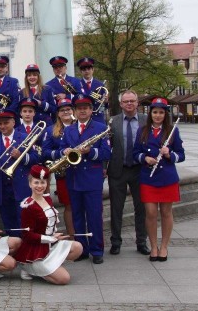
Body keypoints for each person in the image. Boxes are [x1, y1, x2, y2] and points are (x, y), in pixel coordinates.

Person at [59, 95, 111, 264]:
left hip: (92, 178)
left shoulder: (101, 128)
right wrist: (65, 150)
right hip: (73, 177)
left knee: (94, 216)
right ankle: (82, 249)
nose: (82, 110)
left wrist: (90, 151)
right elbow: (61, 148)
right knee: (77, 216)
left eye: (86, 107)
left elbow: (107, 153)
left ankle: (97, 250)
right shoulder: (68, 130)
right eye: (79, 108)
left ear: (91, 110)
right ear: (75, 110)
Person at [133, 97, 185, 262]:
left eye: (161, 112)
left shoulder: (172, 131)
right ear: (150, 113)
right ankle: (153, 246)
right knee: (150, 212)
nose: (157, 115)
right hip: (148, 178)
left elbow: (181, 155)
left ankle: (164, 247)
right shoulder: (143, 130)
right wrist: (145, 158)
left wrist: (169, 154)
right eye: (155, 112)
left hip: (167, 178)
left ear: (165, 114)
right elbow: (135, 153)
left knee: (166, 212)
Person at [15, 165, 83, 283]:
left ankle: (49, 266)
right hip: (34, 250)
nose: (40, 186)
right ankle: (28, 267)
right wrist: (50, 238)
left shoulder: (47, 199)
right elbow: (27, 235)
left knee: (78, 248)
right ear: (30, 184)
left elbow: (48, 224)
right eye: (36, 183)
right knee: (64, 279)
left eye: (42, 182)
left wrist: (54, 236)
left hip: (50, 246)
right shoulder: (28, 206)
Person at [108, 90, 149, 256]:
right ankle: (116, 242)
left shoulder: (147, 120)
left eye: (132, 101)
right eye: (126, 101)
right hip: (118, 169)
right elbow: (107, 145)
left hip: (140, 170)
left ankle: (141, 242)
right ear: (121, 104)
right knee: (116, 208)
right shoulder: (112, 121)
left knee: (142, 208)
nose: (129, 104)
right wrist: (105, 166)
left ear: (138, 103)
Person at [0, 110, 38, 234]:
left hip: (21, 186)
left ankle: (26, 249)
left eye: (6, 123)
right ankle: (13, 247)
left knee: (24, 221)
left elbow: (35, 158)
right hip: (2, 189)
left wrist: (21, 156)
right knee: (8, 222)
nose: (2, 126)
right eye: (0, 124)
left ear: (13, 122)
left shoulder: (25, 137)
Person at [41, 98, 76, 235]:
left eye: (68, 109)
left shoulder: (80, 127)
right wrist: (61, 153)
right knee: (69, 206)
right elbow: (45, 152)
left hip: (82, 172)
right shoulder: (50, 131)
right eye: (62, 110)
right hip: (64, 172)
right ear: (58, 114)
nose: (66, 112)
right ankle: (73, 237)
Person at [76, 57, 108, 124]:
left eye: (89, 68)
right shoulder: (77, 84)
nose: (87, 71)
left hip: (97, 117)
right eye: (84, 69)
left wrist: (106, 101)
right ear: (81, 71)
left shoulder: (100, 84)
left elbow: (105, 106)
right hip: (82, 118)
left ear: (93, 69)